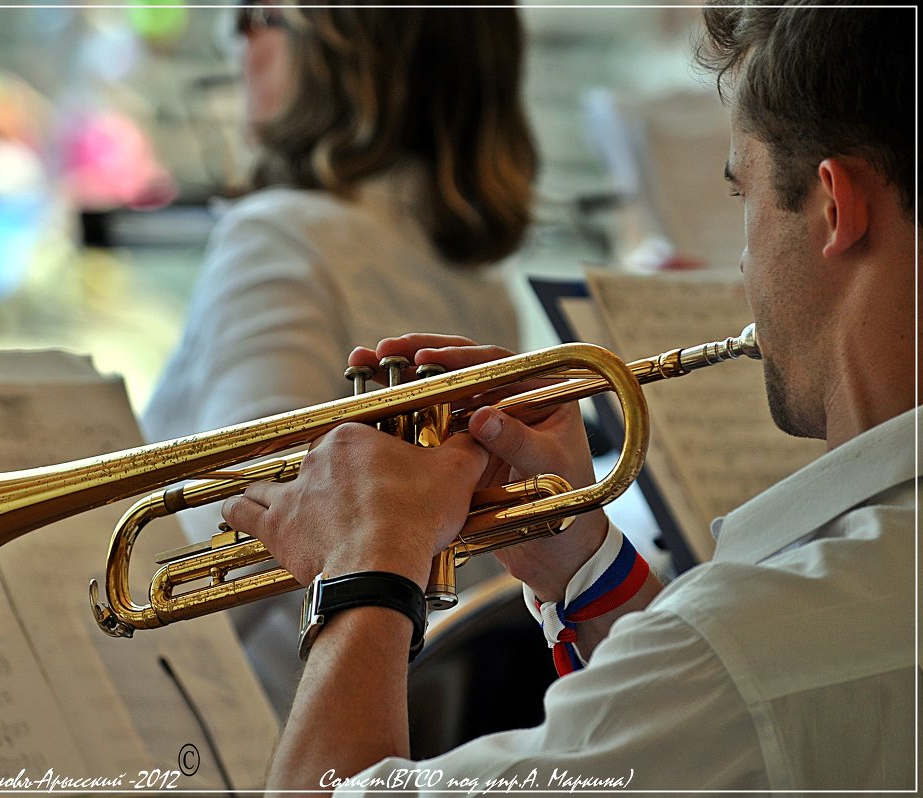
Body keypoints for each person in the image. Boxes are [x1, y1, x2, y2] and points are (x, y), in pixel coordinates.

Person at [220, 1, 919, 791]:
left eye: (741, 198)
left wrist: (362, 577)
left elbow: (739, 688)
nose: (744, 274)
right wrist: (584, 565)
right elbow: (741, 732)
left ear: (835, 206)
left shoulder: (743, 656)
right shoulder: (792, 634)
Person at [142, 2, 537, 715]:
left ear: (350, 48)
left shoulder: (278, 236)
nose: (237, 43)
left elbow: (223, 547)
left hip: (269, 726)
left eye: (259, 16)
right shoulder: (481, 285)